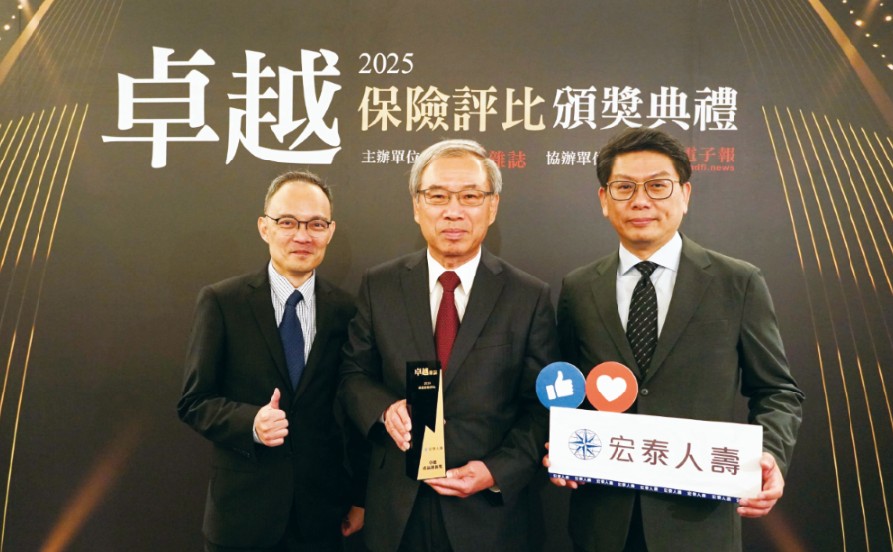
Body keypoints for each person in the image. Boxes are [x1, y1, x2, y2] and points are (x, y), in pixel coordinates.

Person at [548, 128, 804, 552]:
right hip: (602, 523)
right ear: (604, 200)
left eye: (658, 186)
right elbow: (567, 388)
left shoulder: (737, 282)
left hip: (698, 522)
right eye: (624, 187)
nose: (641, 201)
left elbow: (777, 391)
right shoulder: (578, 287)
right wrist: (561, 444)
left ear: (685, 194)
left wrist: (770, 455)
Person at [337, 139, 560, 552]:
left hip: (488, 517)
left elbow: (542, 407)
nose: (453, 211)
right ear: (416, 206)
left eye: (470, 197)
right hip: (396, 509)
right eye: (437, 196)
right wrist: (384, 410)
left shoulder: (528, 296)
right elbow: (353, 376)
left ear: (492, 206)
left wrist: (495, 471)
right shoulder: (380, 286)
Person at [178, 170, 366, 552]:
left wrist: (360, 496)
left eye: (316, 224)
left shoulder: (348, 310)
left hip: (322, 518)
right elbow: (194, 401)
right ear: (264, 227)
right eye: (288, 222)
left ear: (330, 231)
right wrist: (251, 423)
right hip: (242, 518)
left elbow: (354, 410)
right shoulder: (223, 302)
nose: (302, 235)